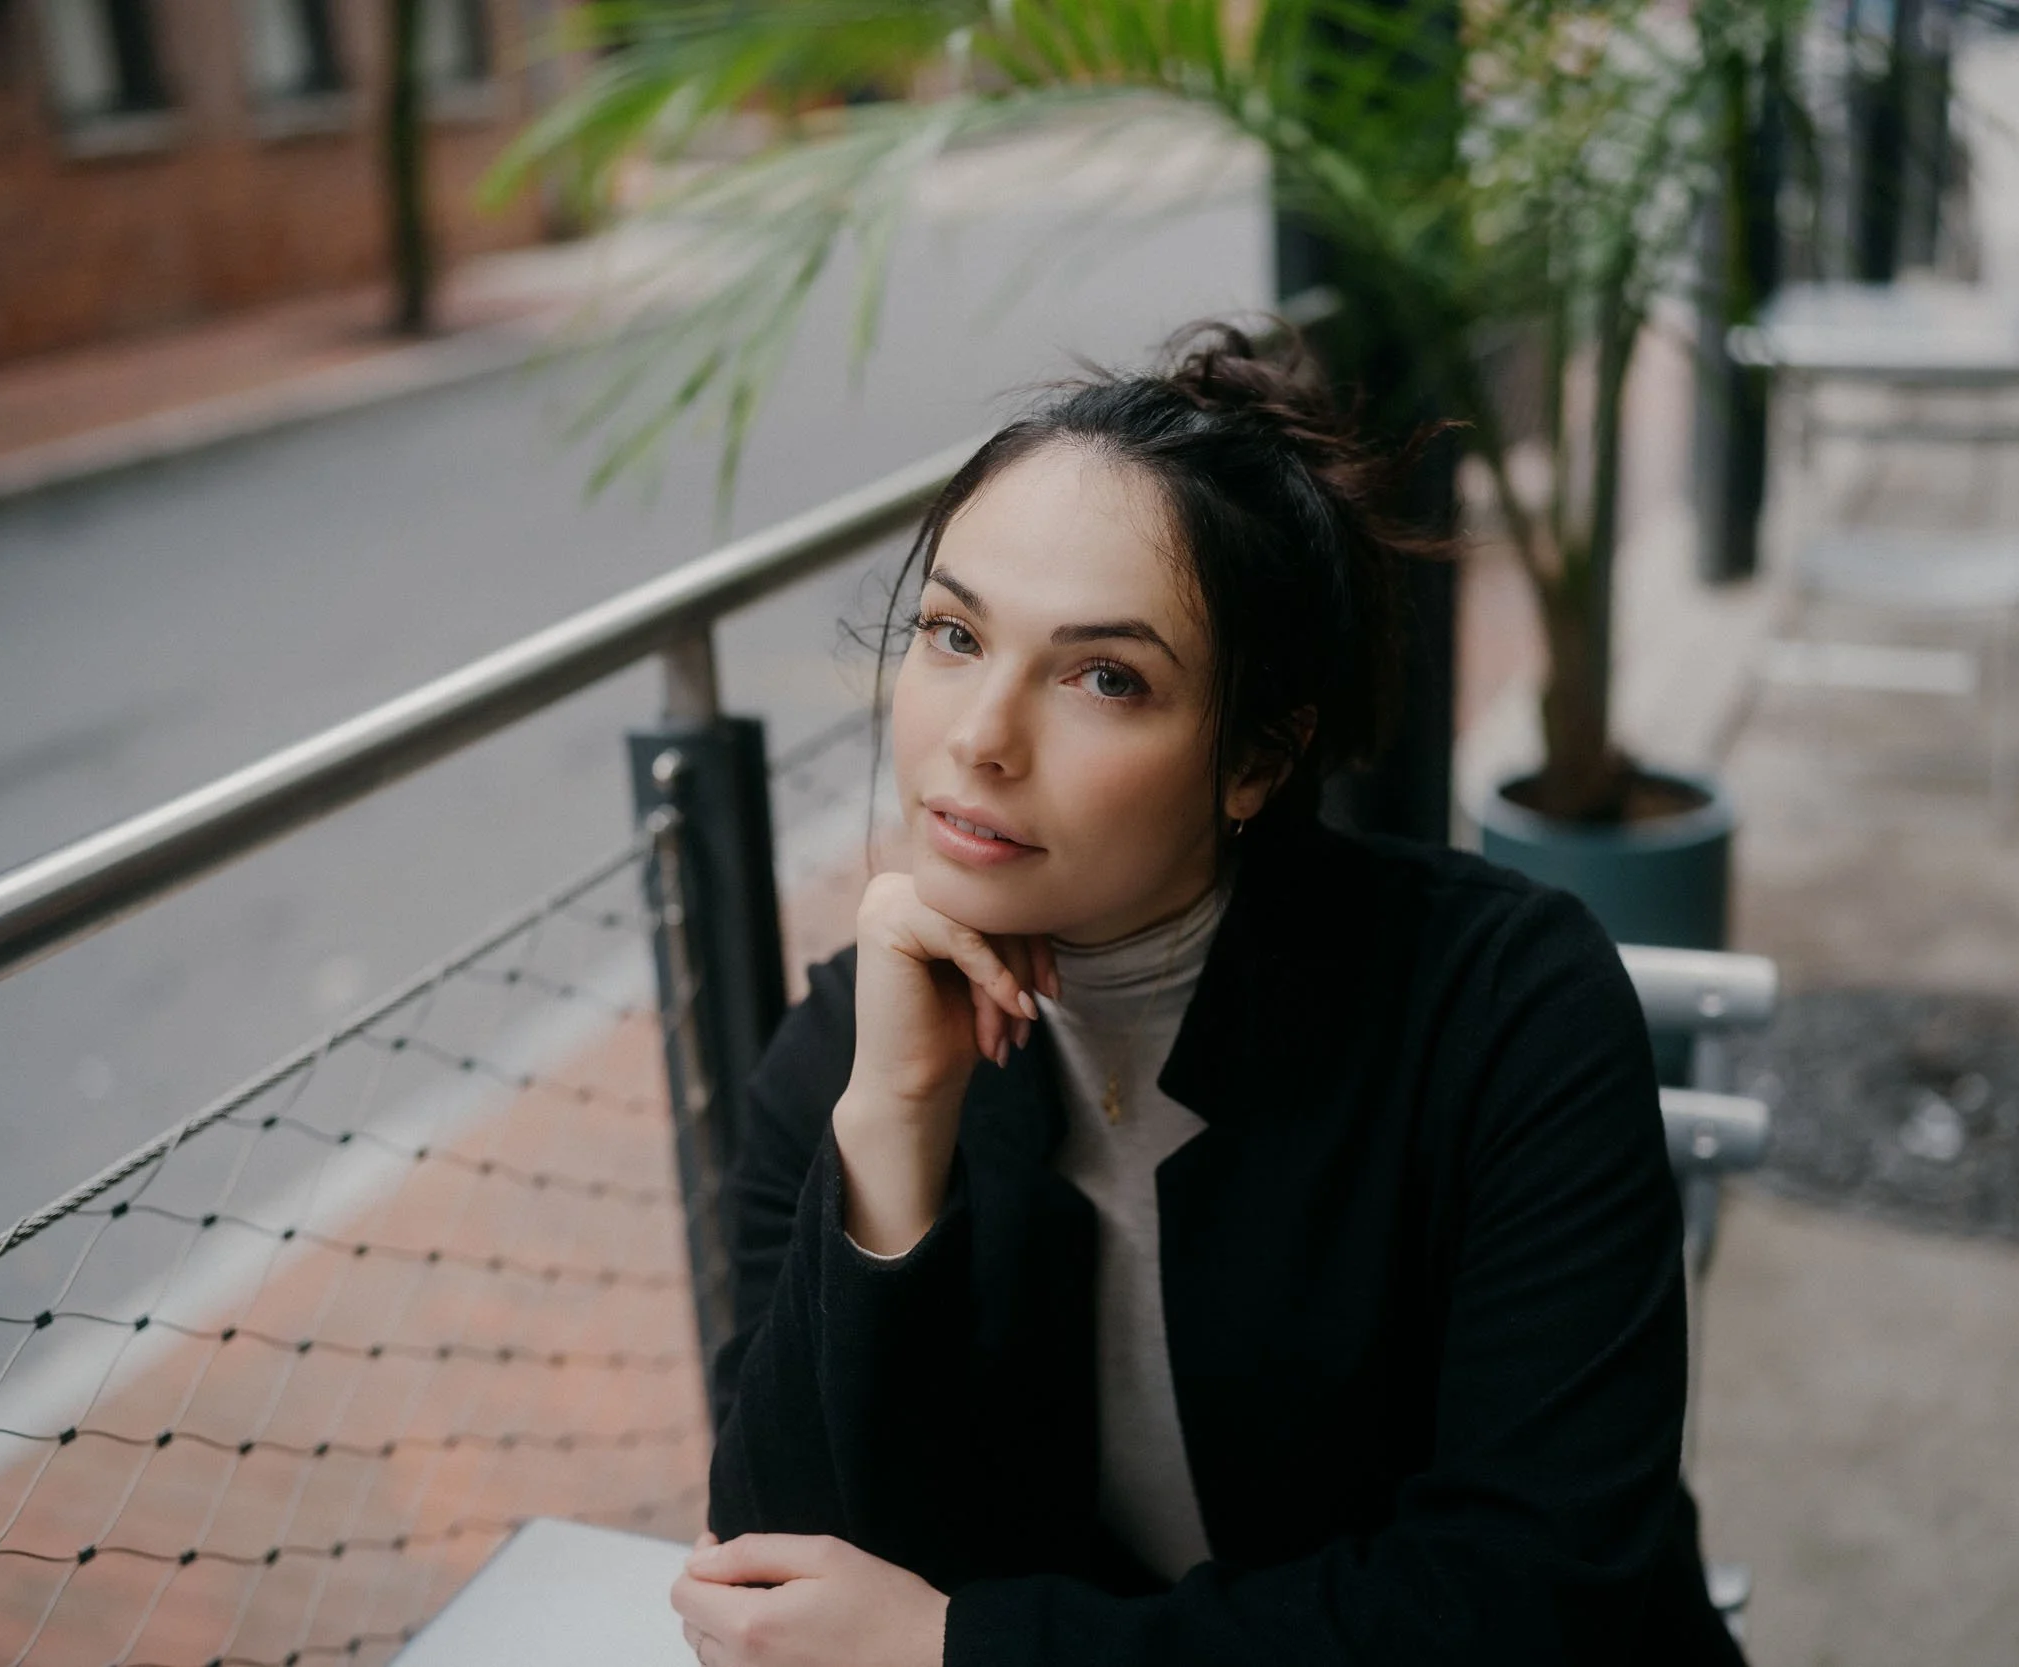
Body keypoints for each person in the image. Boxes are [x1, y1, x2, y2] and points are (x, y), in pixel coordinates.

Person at [667, 325, 1744, 1667]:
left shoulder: (1504, 1006)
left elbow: (1531, 1592)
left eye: (1104, 676)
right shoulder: (856, 1044)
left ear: (1252, 759)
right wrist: (893, 1126)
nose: (981, 735)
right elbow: (772, 1597)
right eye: (953, 633)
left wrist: (967, 1647)